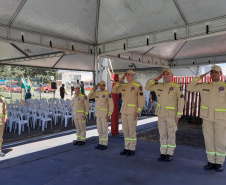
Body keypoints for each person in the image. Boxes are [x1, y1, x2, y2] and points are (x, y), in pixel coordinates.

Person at [187, 65, 226, 172]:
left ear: (221, 74)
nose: (213, 74)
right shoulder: (204, 85)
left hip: (221, 120)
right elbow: (189, 87)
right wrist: (199, 77)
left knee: (220, 141)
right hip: (207, 118)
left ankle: (219, 163)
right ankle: (211, 161)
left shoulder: (224, 86)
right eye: (212, 72)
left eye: (216, 72)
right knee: (208, 140)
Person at [145, 69, 184, 162]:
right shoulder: (159, 85)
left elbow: (181, 101)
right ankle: (163, 152)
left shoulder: (177, 87)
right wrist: (156, 79)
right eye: (164, 74)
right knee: (162, 134)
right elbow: (147, 87)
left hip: (171, 115)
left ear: (172, 76)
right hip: (161, 114)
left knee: (171, 134)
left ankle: (170, 153)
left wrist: (178, 116)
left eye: (167, 74)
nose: (165, 76)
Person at [112, 70, 145, 156]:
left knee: (132, 131)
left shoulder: (138, 85)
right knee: (125, 130)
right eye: (126, 75)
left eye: (129, 75)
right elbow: (114, 90)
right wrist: (119, 82)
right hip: (124, 111)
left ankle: (132, 148)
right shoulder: (124, 85)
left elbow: (141, 100)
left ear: (133, 75)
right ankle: (126, 147)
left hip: (132, 111)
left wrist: (138, 111)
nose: (127, 76)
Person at [88, 81, 114, 150]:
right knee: (99, 129)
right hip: (98, 114)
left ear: (104, 86)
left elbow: (111, 105)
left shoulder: (107, 94)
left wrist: (109, 114)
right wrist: (94, 88)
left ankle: (104, 144)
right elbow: (89, 96)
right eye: (100, 85)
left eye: (102, 85)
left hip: (105, 115)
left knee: (104, 129)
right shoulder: (97, 93)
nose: (101, 86)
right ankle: (100, 142)